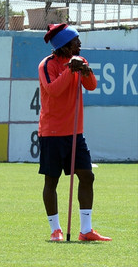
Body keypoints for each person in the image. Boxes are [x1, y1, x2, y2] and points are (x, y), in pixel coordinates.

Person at [38, 23, 111, 242]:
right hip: (51, 132)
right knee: (51, 182)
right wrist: (71, 69)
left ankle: (86, 230)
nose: (79, 43)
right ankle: (55, 230)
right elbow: (53, 90)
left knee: (87, 176)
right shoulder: (46, 65)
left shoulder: (80, 61)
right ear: (64, 45)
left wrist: (85, 70)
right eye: (75, 41)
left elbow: (91, 85)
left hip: (75, 133)